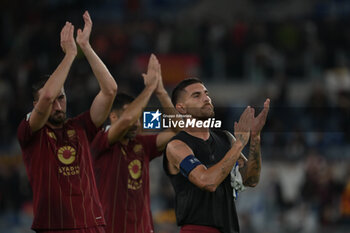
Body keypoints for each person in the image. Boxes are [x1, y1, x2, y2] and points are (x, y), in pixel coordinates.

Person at [17, 11, 117, 233]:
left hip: (93, 224)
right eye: (54, 100)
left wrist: (85, 47)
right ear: (35, 106)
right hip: (54, 226)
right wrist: (70, 55)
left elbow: (110, 91)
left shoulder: (81, 126)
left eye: (61, 98)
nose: (58, 105)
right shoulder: (30, 132)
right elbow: (46, 97)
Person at [163, 78, 270, 233]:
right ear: (181, 108)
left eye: (206, 94)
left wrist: (255, 138)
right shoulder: (177, 146)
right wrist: (240, 144)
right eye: (196, 96)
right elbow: (207, 182)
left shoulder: (226, 139)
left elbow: (251, 179)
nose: (206, 98)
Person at [91, 54, 178, 233]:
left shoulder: (142, 145)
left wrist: (160, 92)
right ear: (113, 117)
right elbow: (128, 119)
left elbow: (179, 130)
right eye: (133, 116)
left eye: (140, 118)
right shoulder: (100, 140)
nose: (137, 122)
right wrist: (149, 88)